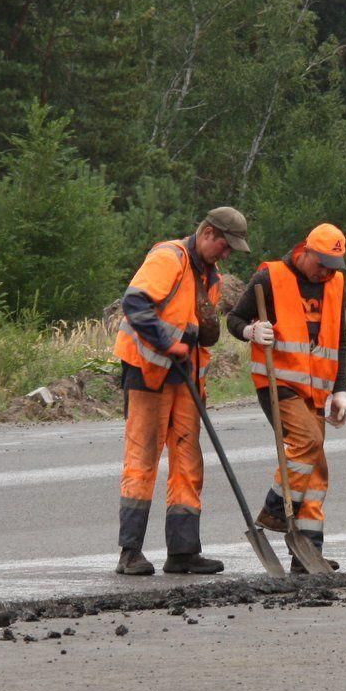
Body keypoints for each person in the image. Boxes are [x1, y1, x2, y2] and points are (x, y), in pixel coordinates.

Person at [111, 206, 249, 576]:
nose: (226, 254)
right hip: (149, 373)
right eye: (224, 246)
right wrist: (167, 342)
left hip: (186, 380)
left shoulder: (210, 277)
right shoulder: (168, 258)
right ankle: (130, 553)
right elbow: (135, 303)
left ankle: (183, 552)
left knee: (189, 463)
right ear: (207, 233)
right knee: (142, 460)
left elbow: (197, 331)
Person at [226, 223, 346, 572]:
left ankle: (307, 553)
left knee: (316, 469)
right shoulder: (271, 277)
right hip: (278, 383)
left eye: (333, 266)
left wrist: (340, 390)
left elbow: (339, 340)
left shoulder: (335, 284)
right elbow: (234, 318)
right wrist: (250, 330)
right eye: (322, 264)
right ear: (306, 251)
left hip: (317, 389)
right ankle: (275, 509)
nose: (326, 272)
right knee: (307, 441)